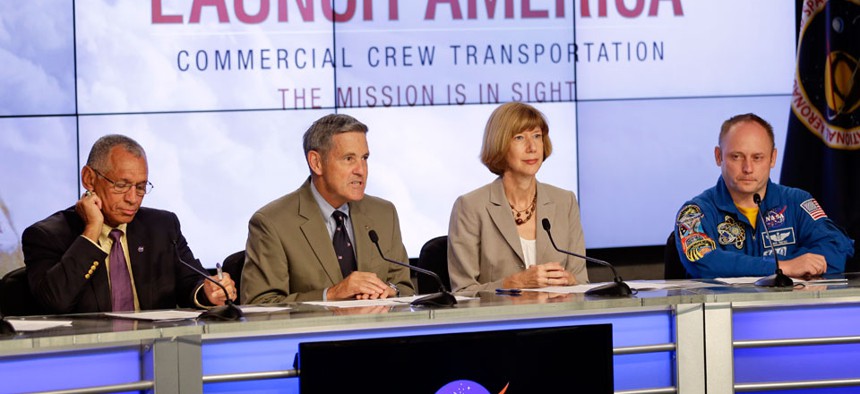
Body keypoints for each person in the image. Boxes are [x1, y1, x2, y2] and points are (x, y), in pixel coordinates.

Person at [22, 134, 236, 314]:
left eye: (141, 187)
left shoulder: (162, 227)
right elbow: (54, 302)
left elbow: (192, 283)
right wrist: (92, 231)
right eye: (121, 185)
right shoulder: (46, 235)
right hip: (85, 358)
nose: (133, 198)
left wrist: (210, 292)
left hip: (156, 354)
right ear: (89, 179)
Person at [242, 114, 414, 303]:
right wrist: (330, 295)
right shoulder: (272, 223)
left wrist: (390, 291)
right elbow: (260, 306)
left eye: (364, 158)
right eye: (349, 159)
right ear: (316, 162)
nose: (361, 170)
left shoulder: (383, 213)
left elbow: (405, 288)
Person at [674, 113, 854, 279]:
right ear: (718, 156)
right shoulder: (694, 212)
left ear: (773, 158)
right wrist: (782, 267)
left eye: (757, 157)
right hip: (723, 312)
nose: (748, 168)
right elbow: (704, 263)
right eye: (736, 157)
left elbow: (837, 250)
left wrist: (787, 267)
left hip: (788, 309)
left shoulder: (798, 202)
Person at [447, 102, 589, 293]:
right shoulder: (471, 206)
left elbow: (582, 282)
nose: (532, 147)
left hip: (557, 319)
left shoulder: (566, 201)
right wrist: (511, 284)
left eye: (537, 136)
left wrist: (571, 281)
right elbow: (463, 291)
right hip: (499, 321)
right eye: (519, 137)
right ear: (500, 144)